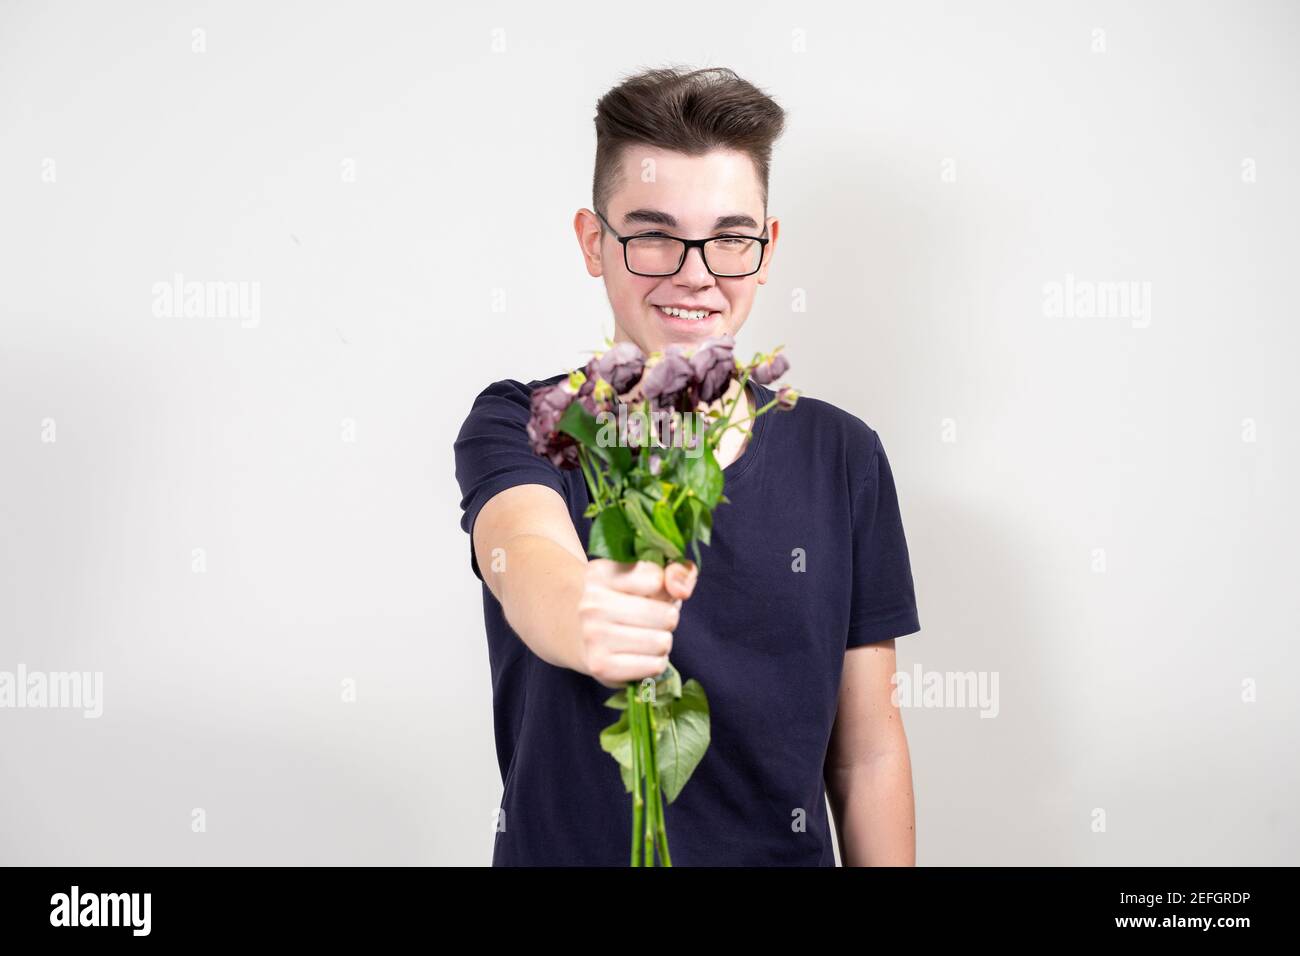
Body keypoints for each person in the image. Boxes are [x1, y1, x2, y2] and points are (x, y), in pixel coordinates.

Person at [453, 66, 920, 866]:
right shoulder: (526, 422)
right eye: (653, 233)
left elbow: (866, 755)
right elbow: (522, 553)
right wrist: (583, 609)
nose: (695, 272)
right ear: (594, 242)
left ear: (766, 250)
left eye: (729, 237)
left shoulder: (843, 457)